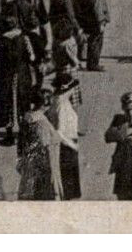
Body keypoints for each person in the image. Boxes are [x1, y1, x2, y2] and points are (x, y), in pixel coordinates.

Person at [0, 14, 37, 145]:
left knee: (7, 103)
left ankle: (9, 134)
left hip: (5, 75)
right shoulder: (24, 39)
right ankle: (24, 133)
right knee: (23, 102)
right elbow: (32, 57)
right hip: (22, 74)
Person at [16, 88, 63, 200]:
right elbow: (45, 147)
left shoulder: (28, 117)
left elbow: (21, 144)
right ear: (46, 103)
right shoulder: (41, 123)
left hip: (28, 163)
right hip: (42, 168)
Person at [48, 71, 83, 201]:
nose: (74, 90)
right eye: (72, 88)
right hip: (66, 148)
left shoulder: (57, 100)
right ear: (65, 88)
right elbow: (59, 132)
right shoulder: (62, 105)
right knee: (68, 188)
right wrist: (73, 146)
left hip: (65, 146)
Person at [76, 0, 110, 72]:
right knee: (96, 42)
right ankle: (93, 64)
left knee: (92, 41)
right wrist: (101, 22)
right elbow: (97, 7)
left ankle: (91, 63)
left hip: (87, 19)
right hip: (94, 20)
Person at [50, 0, 82, 71]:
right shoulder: (66, 0)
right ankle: (74, 63)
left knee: (59, 46)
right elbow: (71, 16)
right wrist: (78, 28)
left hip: (56, 27)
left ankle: (64, 64)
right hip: (66, 27)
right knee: (70, 44)